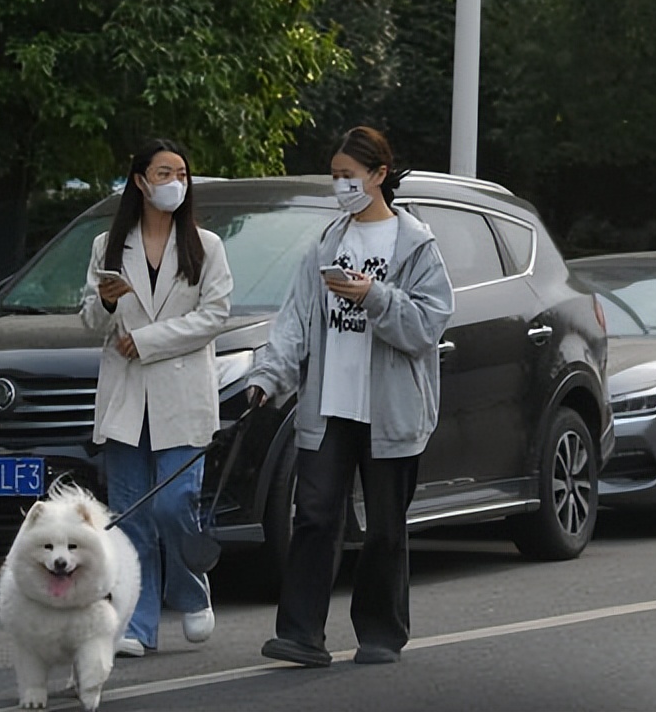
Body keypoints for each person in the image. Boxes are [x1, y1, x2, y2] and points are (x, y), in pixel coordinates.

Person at [246, 125, 454, 667]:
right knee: (313, 515)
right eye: (335, 176)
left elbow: (425, 326)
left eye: (350, 176)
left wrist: (374, 295)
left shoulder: (415, 245)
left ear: (380, 175)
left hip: (390, 410)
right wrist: (268, 375)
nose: (341, 185)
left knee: (385, 525)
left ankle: (381, 633)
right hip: (329, 403)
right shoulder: (327, 242)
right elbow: (294, 319)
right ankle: (300, 634)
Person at [79, 138, 234, 658]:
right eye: (164, 173)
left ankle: (190, 589)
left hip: (181, 395)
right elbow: (90, 323)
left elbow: (214, 318)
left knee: (173, 505)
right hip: (125, 399)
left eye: (182, 174)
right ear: (141, 181)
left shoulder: (206, 246)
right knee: (129, 515)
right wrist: (103, 301)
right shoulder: (107, 244)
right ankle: (137, 625)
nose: (175, 183)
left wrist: (146, 341)